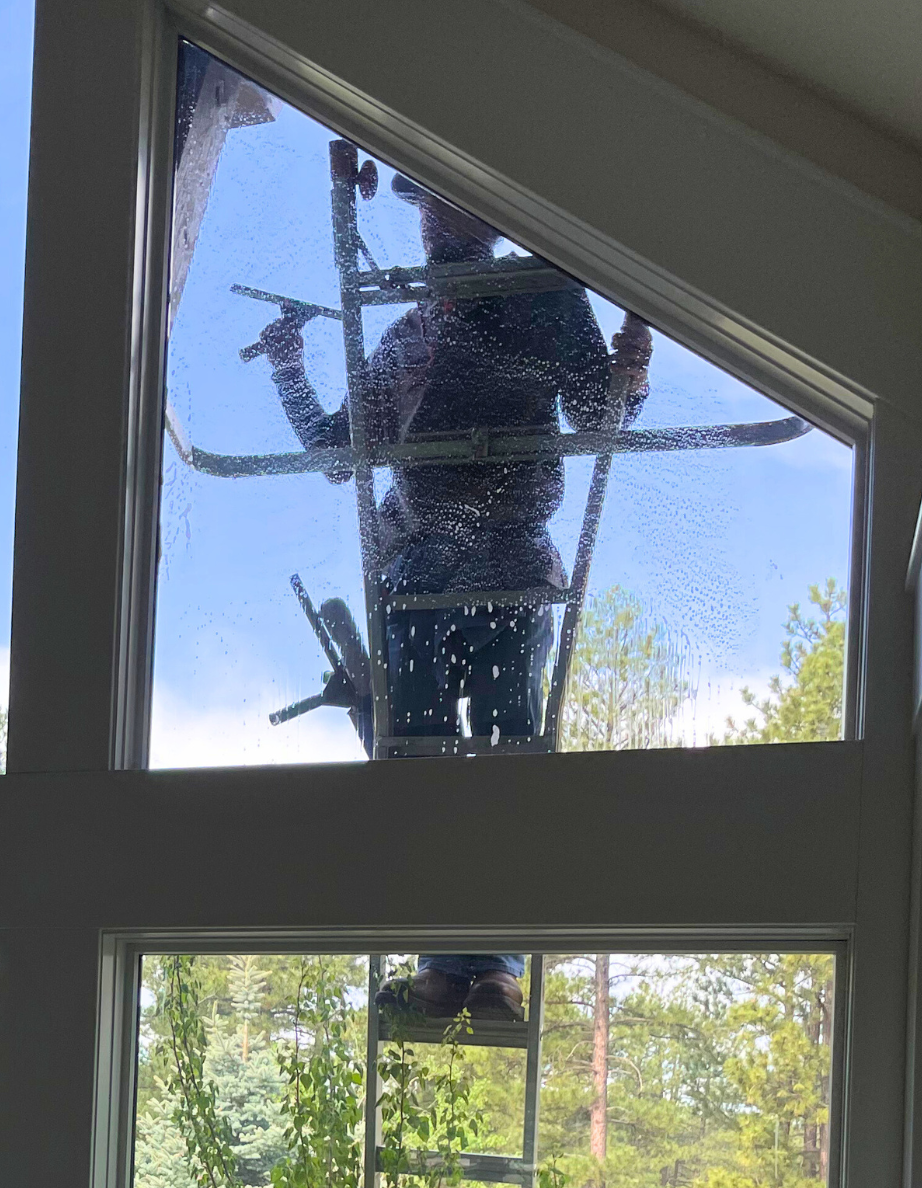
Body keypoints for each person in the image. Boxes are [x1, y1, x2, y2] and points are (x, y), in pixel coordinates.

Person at [256, 172, 654, 1020]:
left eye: (451, 203)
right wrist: (290, 367)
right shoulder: (411, 332)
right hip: (423, 576)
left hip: (504, 564)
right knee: (423, 749)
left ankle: (496, 969)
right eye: (428, 204)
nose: (438, 220)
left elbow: (595, 415)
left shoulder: (545, 300)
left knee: (507, 746)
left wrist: (630, 373)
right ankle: (446, 963)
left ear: (490, 219)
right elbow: (338, 451)